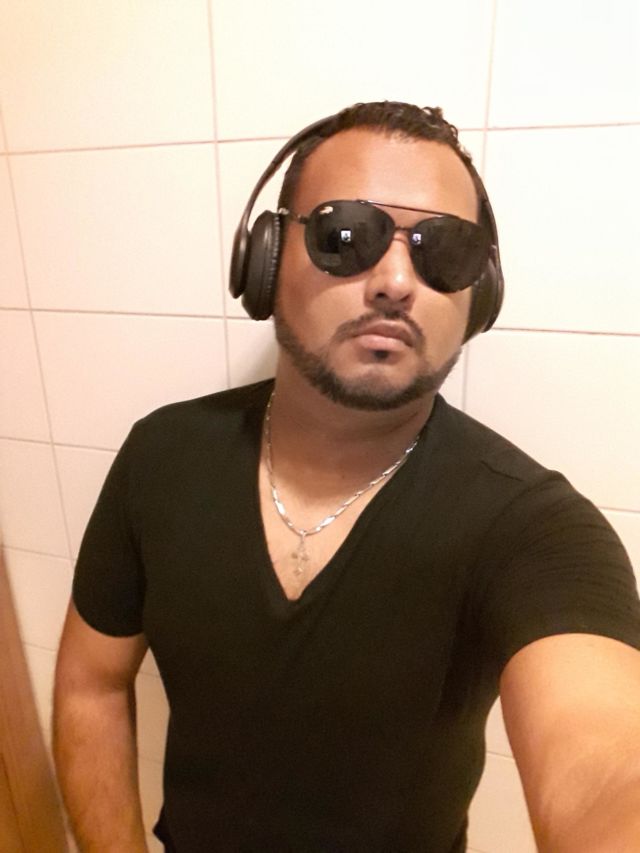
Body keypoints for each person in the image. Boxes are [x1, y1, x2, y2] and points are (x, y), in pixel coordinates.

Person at [53, 101, 640, 853]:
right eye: (344, 236)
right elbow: (91, 684)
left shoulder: (535, 529)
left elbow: (602, 767)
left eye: (443, 252)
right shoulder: (161, 457)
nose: (395, 280)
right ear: (266, 262)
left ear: (479, 295)